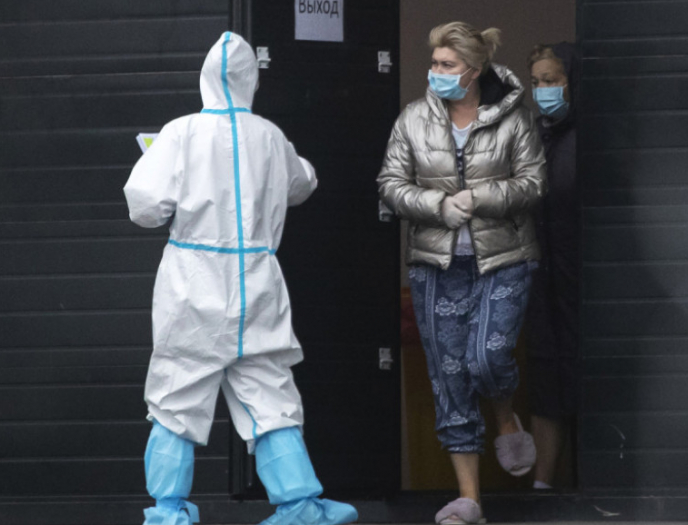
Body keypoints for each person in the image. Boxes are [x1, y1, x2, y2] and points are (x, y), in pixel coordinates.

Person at [124, 32, 358, 525]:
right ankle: (300, 505)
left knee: (176, 394)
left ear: (205, 77)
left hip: (193, 282)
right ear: (252, 79)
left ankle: (168, 512)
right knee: (269, 390)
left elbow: (144, 207)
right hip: (257, 281)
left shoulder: (180, 132)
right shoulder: (270, 135)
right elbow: (303, 183)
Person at [377, 21, 547, 525]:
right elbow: (390, 182)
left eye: (447, 65)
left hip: (504, 258)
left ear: (474, 70)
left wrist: (480, 198)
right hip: (436, 264)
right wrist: (437, 206)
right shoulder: (413, 119)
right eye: (434, 64)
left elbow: (534, 182)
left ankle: (505, 416)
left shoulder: (514, 118)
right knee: (449, 377)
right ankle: (469, 499)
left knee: (487, 359)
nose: (436, 72)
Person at [525, 42, 581, 491]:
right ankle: (542, 487)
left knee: (586, 377)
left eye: (552, 80)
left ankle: (593, 486)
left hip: (581, 282)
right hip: (541, 282)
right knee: (545, 379)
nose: (542, 90)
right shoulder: (532, 137)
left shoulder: (591, 137)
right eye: (536, 81)